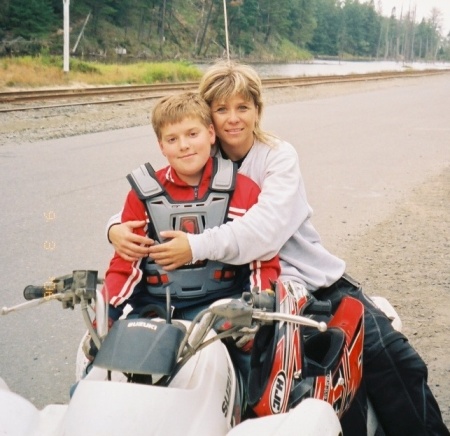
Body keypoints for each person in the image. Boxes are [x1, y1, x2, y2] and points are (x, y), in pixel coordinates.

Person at [107, 61, 449, 435]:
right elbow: (157, 193)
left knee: (393, 363)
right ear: (209, 119)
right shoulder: (201, 154)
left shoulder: (278, 156)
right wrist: (114, 229)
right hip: (246, 295)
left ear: (257, 111)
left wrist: (195, 247)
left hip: (312, 284)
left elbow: (264, 231)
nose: (233, 119)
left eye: (243, 107)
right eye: (221, 109)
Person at [100, 90, 280, 333]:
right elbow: (125, 265)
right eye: (172, 139)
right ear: (161, 146)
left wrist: (259, 307)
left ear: (210, 134)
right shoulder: (142, 194)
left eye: (192, 134)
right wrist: (106, 314)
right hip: (156, 309)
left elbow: (262, 257)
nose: (184, 146)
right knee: (110, 364)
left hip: (224, 309)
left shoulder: (244, 188)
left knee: (253, 360)